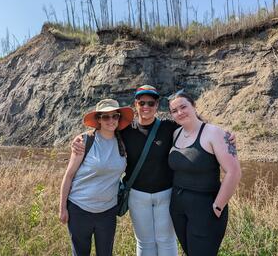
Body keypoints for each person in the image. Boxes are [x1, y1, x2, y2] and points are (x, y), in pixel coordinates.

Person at [72, 85, 236, 256]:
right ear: (135, 104)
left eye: (151, 103)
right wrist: (81, 138)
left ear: (157, 105)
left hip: (166, 194)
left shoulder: (170, 128)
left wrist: (227, 136)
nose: (146, 107)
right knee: (145, 242)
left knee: (166, 240)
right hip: (137, 195)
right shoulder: (126, 131)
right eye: (142, 103)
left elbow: (195, 128)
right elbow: (104, 130)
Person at [168, 91, 241, 256]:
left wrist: (217, 206)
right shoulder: (175, 133)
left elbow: (234, 172)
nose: (180, 112)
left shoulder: (215, 133)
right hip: (178, 208)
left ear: (194, 106)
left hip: (205, 209)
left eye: (183, 107)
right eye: (174, 110)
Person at [59, 98, 134, 256]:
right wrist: (62, 208)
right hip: (80, 209)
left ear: (119, 118)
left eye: (115, 116)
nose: (111, 120)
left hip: (108, 212)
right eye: (106, 117)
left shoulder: (124, 142)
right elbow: (69, 175)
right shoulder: (85, 141)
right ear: (98, 119)